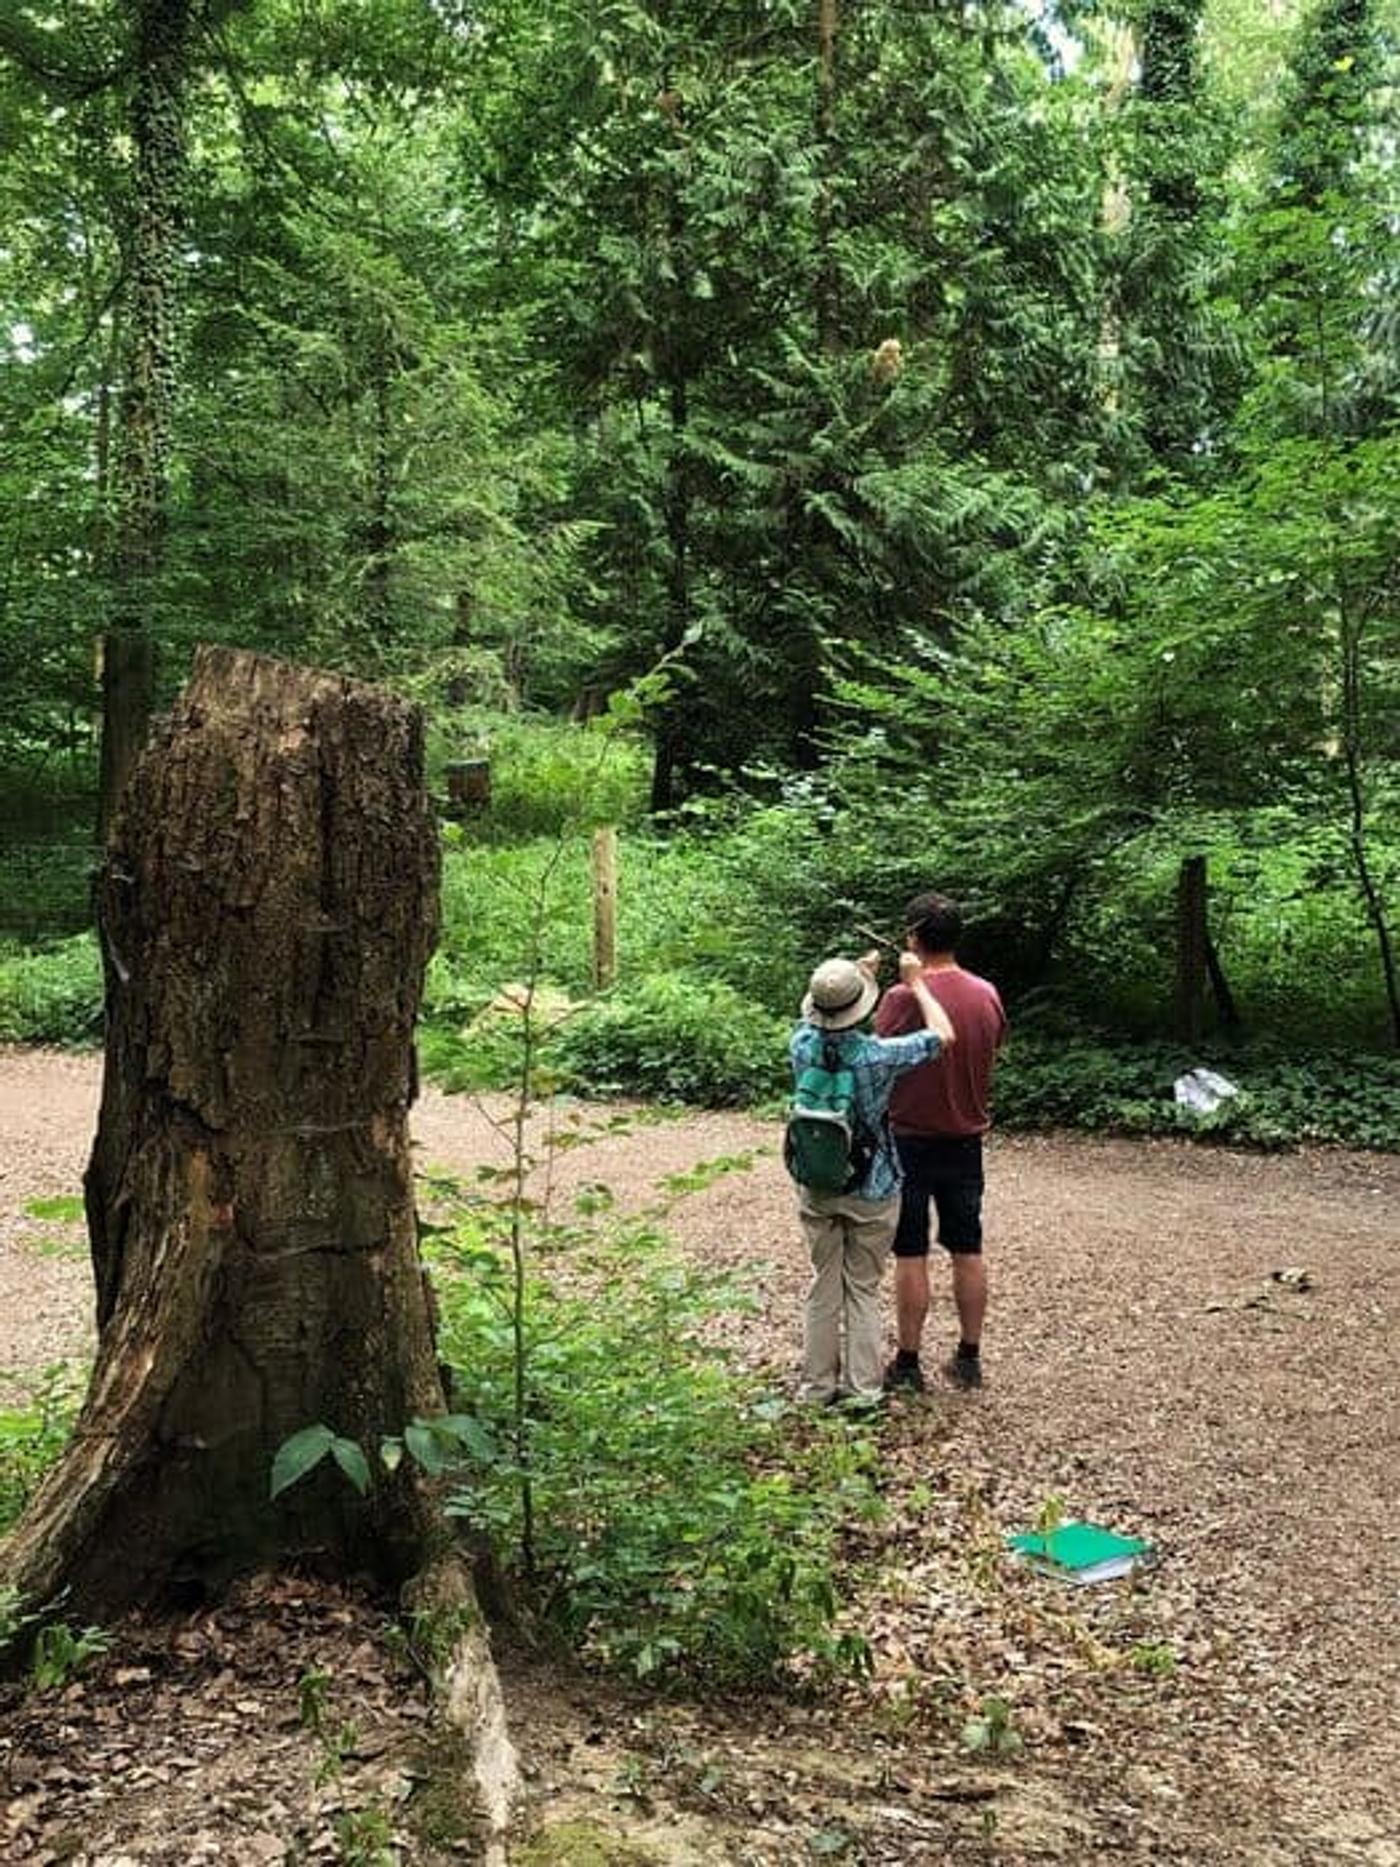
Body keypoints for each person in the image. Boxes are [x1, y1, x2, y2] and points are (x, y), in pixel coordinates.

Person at [790, 949, 957, 1408]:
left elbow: (817, 1020)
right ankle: (863, 1391)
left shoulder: (801, 1045)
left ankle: (816, 1388)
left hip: (817, 1184)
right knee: (861, 1287)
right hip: (873, 1185)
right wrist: (916, 982)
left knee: (823, 1282)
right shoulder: (877, 1056)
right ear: (859, 1009)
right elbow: (944, 1035)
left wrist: (859, 975)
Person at [875, 893, 1007, 1392]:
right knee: (967, 1247)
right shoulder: (987, 992)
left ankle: (908, 1364)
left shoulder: (901, 998)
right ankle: (969, 1357)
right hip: (966, 1139)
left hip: (908, 1138)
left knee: (911, 1254)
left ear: (914, 937)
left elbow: (881, 1058)